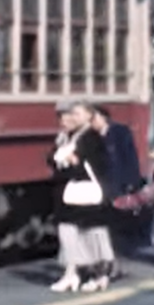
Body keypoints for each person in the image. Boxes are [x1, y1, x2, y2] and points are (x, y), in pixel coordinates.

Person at [48, 101, 115, 293]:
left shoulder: (91, 137)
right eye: (70, 114)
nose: (71, 117)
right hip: (68, 192)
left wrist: (74, 162)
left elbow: (98, 165)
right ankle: (72, 274)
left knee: (92, 234)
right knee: (69, 233)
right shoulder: (66, 137)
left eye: (76, 114)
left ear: (88, 116)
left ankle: (99, 274)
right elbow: (51, 157)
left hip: (86, 193)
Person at [91, 105, 144, 276]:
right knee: (101, 226)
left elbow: (130, 159)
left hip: (118, 185)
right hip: (99, 187)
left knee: (116, 227)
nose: (92, 123)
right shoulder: (91, 136)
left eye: (94, 118)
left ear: (103, 117)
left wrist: (132, 185)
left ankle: (116, 264)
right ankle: (103, 263)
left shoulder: (120, 132)